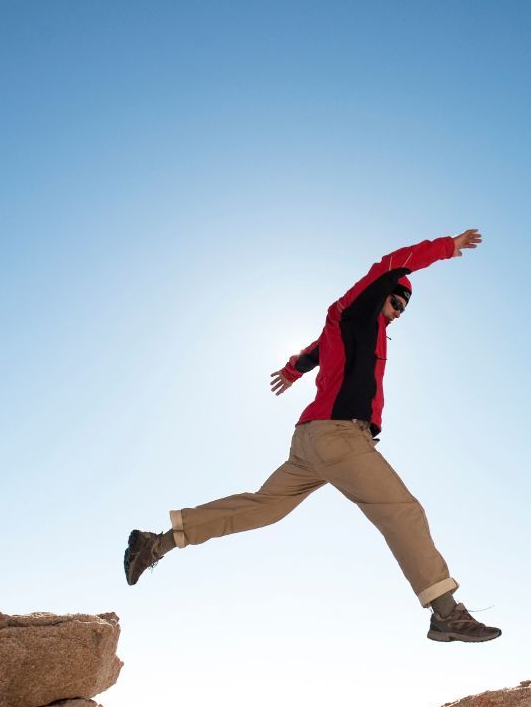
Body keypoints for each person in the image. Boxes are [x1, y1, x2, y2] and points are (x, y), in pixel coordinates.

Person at [124, 229, 500, 642]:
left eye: (404, 310)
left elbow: (316, 351)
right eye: (396, 303)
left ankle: (156, 544)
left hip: (312, 443)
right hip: (338, 436)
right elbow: (391, 265)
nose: (398, 314)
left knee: (265, 508)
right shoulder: (357, 311)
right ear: (382, 294)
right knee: (402, 511)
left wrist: (292, 371)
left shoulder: (353, 330)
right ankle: (446, 613)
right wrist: (448, 247)